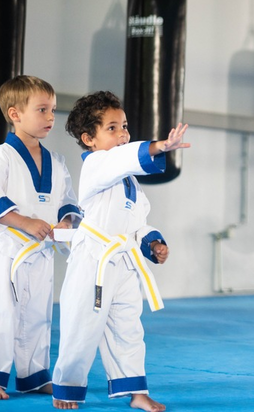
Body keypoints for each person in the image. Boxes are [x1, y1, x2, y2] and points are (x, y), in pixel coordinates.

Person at [51, 92, 189, 411]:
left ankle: (136, 392)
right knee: (82, 327)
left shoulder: (129, 182)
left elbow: (138, 221)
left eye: (124, 126)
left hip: (125, 263)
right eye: (112, 128)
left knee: (128, 326)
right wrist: (159, 146)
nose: (123, 133)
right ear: (89, 139)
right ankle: (67, 387)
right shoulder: (98, 165)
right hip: (94, 260)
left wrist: (152, 243)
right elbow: (121, 158)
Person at [0, 76, 81, 401]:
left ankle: (34, 376)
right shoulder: (3, 156)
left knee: (38, 314)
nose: (50, 117)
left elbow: (69, 200)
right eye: (42, 110)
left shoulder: (57, 162)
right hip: (7, 250)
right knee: (3, 314)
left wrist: (64, 221)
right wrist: (23, 221)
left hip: (42, 252)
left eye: (53, 110)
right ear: (15, 114)